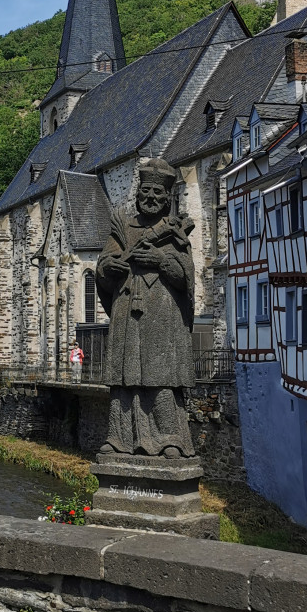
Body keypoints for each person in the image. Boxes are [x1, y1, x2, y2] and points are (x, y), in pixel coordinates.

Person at [95, 158, 196, 457]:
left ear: (167, 197)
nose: (150, 197)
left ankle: (170, 439)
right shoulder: (123, 227)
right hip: (126, 307)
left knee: (160, 374)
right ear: (138, 192)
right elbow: (103, 265)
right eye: (146, 190)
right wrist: (107, 267)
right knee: (123, 377)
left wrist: (161, 261)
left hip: (162, 312)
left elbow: (186, 276)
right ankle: (119, 438)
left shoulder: (174, 231)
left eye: (157, 192)